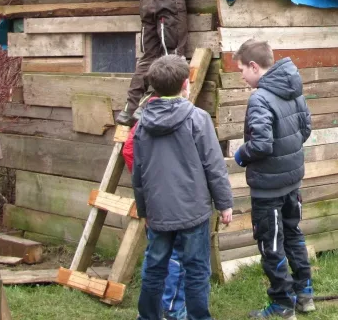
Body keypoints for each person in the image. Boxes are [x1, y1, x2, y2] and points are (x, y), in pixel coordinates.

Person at [132, 54, 233, 320]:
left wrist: (144, 211)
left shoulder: (142, 123)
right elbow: (214, 165)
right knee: (197, 269)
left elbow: (139, 173)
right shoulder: (198, 118)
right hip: (193, 212)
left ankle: (148, 317)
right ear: (186, 84)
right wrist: (225, 204)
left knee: (154, 267)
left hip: (159, 212)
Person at [232, 39, 314, 319]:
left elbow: (262, 144)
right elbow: (305, 129)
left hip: (268, 188)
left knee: (271, 244)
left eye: (242, 69)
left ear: (255, 66)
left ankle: (282, 305)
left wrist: (241, 155)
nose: (241, 75)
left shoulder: (260, 97)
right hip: (293, 181)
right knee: (293, 235)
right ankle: (305, 294)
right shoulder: (294, 89)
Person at [123, 121, 186, 320]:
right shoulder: (190, 117)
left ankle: (151, 312)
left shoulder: (143, 120)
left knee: (155, 255)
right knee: (177, 253)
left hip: (154, 199)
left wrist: (147, 180)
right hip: (180, 198)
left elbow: (129, 151)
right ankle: (172, 309)